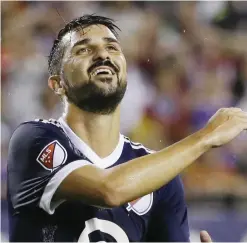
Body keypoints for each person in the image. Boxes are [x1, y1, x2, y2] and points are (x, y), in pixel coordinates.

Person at [7, 15, 247, 242]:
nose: (103, 54)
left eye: (112, 48)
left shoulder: (160, 176)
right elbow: (109, 190)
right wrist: (205, 137)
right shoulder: (33, 140)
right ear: (57, 84)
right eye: (83, 50)